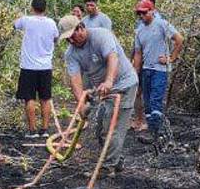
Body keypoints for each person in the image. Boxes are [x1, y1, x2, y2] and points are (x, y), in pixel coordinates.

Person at [58, 14, 139, 174]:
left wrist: (109, 81)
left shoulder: (101, 35)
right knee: (100, 127)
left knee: (112, 126)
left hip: (124, 84)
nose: (71, 40)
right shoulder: (71, 54)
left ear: (80, 28)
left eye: (72, 35)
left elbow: (112, 58)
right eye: (67, 38)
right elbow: (75, 80)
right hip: (103, 91)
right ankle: (115, 160)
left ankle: (108, 167)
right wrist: (81, 103)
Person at [131, 0, 183, 143]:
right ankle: (152, 131)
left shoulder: (161, 24)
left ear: (152, 11)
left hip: (160, 70)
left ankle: (156, 133)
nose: (141, 16)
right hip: (146, 69)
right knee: (147, 101)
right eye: (138, 13)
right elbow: (138, 52)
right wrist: (135, 71)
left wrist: (171, 58)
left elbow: (179, 39)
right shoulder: (139, 29)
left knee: (155, 101)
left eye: (143, 13)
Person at [13, 0, 58, 137]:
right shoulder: (51, 23)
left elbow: (14, 25)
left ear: (32, 7)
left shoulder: (26, 20)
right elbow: (56, 38)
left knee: (29, 98)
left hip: (28, 67)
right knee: (45, 98)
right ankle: (44, 130)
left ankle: (32, 130)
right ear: (45, 9)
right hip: (45, 67)